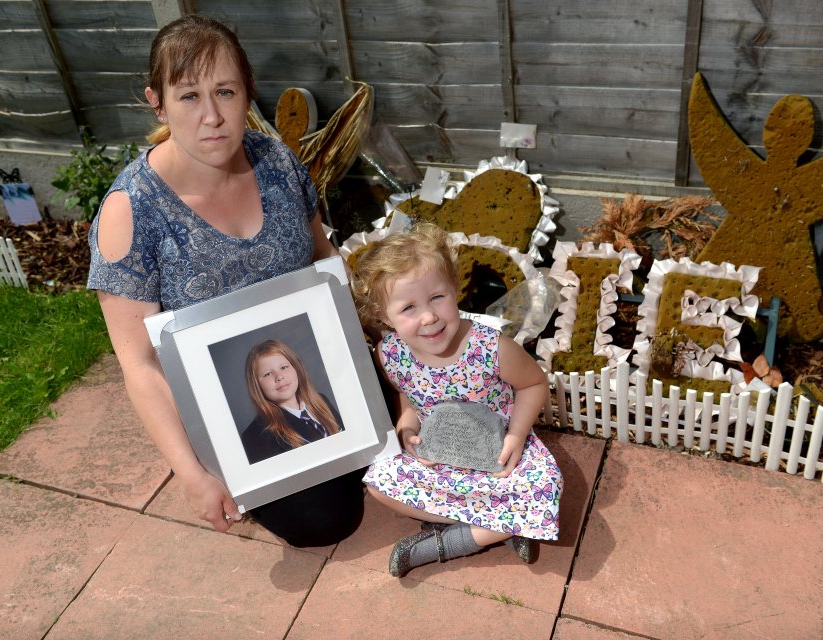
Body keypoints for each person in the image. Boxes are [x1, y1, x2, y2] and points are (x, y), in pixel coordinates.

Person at [86, 14, 364, 547]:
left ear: (247, 93)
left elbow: (324, 260)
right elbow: (140, 365)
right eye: (189, 96)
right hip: (232, 409)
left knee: (420, 425)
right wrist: (193, 474)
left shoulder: (277, 162)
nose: (212, 116)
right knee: (323, 523)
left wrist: (370, 364)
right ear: (157, 102)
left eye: (225, 92)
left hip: (309, 369)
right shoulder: (131, 212)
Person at [350, 222, 563, 577]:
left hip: (499, 455)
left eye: (437, 298)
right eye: (409, 308)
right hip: (438, 456)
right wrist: (406, 427)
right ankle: (503, 525)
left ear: (454, 290)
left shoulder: (491, 347)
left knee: (546, 485)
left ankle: (447, 543)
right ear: (384, 318)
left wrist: (516, 435)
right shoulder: (390, 354)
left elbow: (533, 385)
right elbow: (404, 393)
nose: (429, 316)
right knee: (378, 484)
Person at [241, 339, 344, 464]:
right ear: (256, 385)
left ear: (296, 368)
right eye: (268, 374)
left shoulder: (322, 401)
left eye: (284, 367)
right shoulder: (256, 435)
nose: (279, 377)